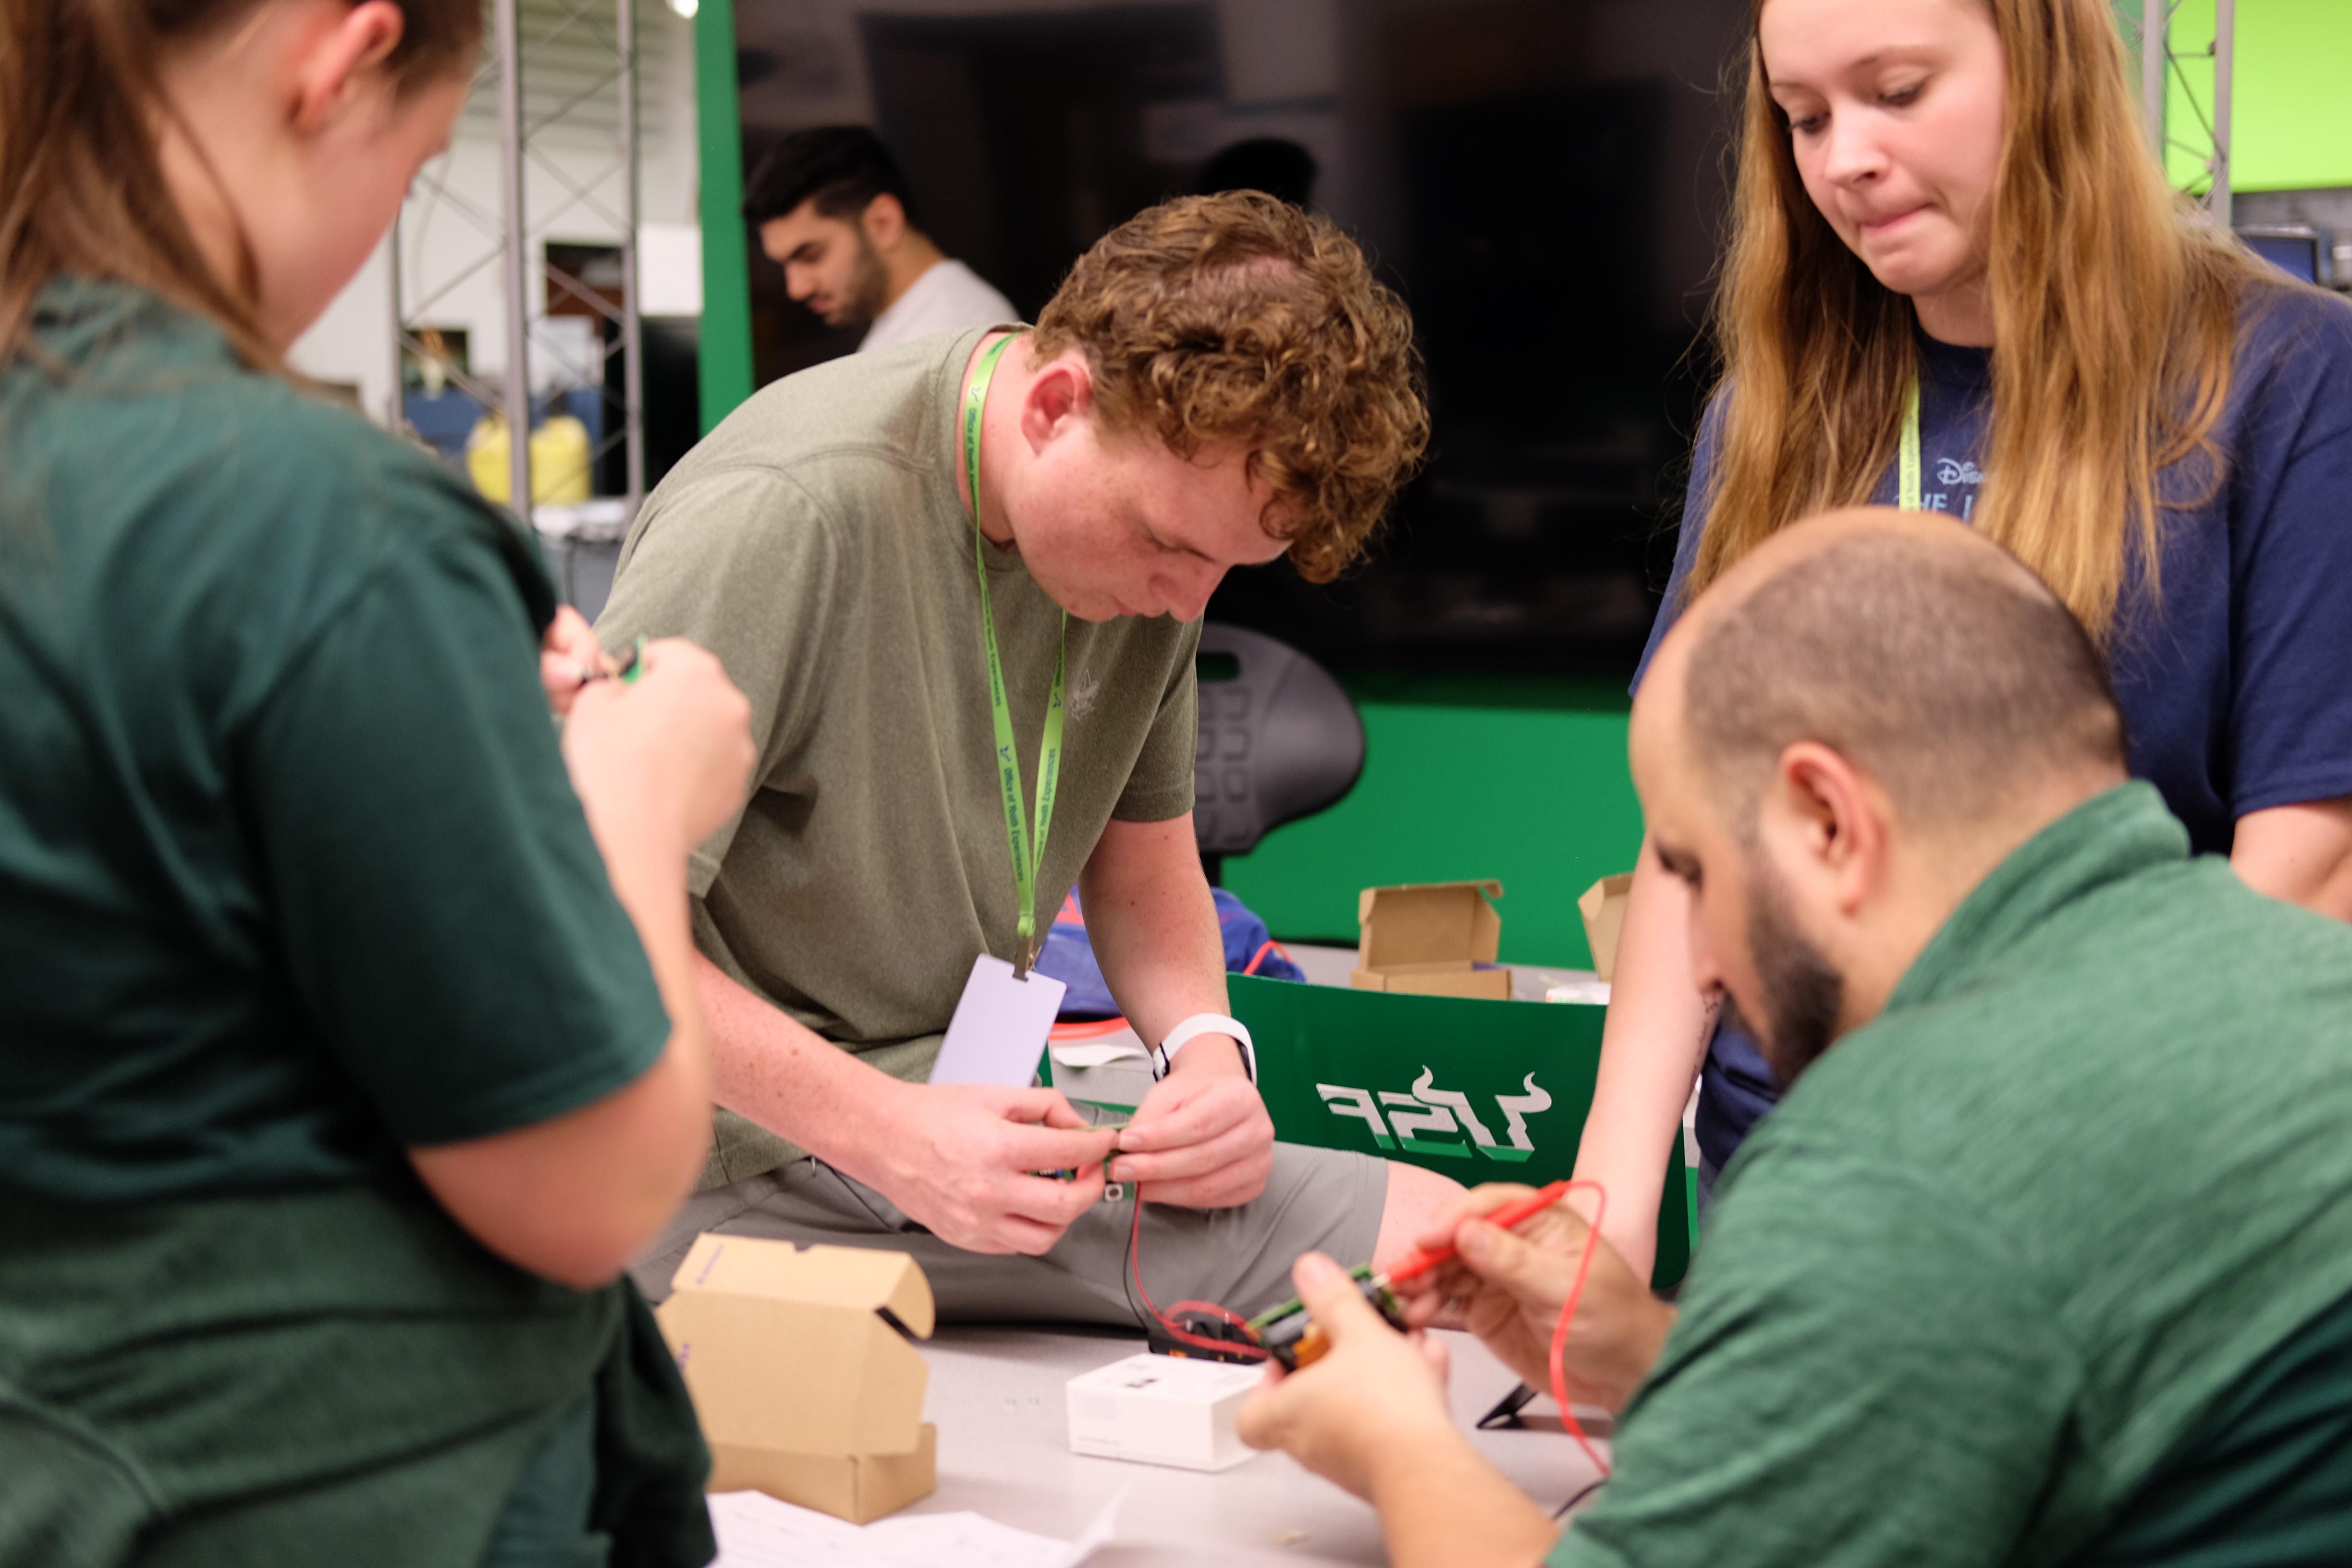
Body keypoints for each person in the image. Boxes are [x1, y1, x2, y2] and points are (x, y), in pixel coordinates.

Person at [0, 0, 756, 1561]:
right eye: (412, 173)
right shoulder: (313, 522)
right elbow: (592, 1180)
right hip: (308, 1485)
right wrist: (632, 782)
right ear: (340, 61)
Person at [1239, 509, 2352, 1568]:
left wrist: (1396, 1444)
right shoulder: (2295, 980)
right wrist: (1652, 1354)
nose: (1705, 963)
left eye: (1690, 870)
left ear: (1827, 821)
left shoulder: (1895, 1160)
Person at [1575, 0, 2352, 1280]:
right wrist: (1605, 1203)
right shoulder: (1776, 410)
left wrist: (2009, 1140)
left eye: (1896, 91)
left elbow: (2311, 868)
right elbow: (1692, 852)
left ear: (2048, 68)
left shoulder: (2286, 379)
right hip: (1793, 1176)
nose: (1844, 161)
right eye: (1805, 117)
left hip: (2106, 1183)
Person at [598, 190, 1458, 1322]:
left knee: (1440, 1240)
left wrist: (1207, 1056)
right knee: (1421, 1259)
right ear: (1056, 403)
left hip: (938, 1113)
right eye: (1166, 545)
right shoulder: (785, 513)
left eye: (1226, 569)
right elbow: (577, 933)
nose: (1186, 602)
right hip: (705, 1152)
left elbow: (1147, 868)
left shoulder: (1163, 519)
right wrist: (892, 1134)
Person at [746, 124, 1017, 354]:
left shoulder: (955, 341)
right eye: (783, 265)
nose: (797, 289)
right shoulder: (918, 333)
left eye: (810, 255)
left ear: (883, 223)